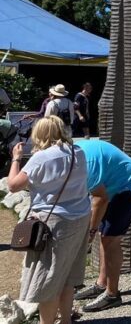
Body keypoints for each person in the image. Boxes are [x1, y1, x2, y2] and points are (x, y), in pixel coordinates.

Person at [7, 116, 90, 324]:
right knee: (67, 276)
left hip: (55, 223)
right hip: (80, 217)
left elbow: (13, 185)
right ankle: (66, 321)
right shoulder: (77, 151)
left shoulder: (42, 157)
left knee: (48, 281)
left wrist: (16, 158)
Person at [69, 138, 131, 311]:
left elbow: (99, 199)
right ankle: (101, 284)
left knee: (110, 239)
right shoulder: (72, 153)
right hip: (112, 187)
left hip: (130, 185)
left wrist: (89, 231)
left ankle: (112, 295)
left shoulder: (86, 163)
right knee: (104, 236)